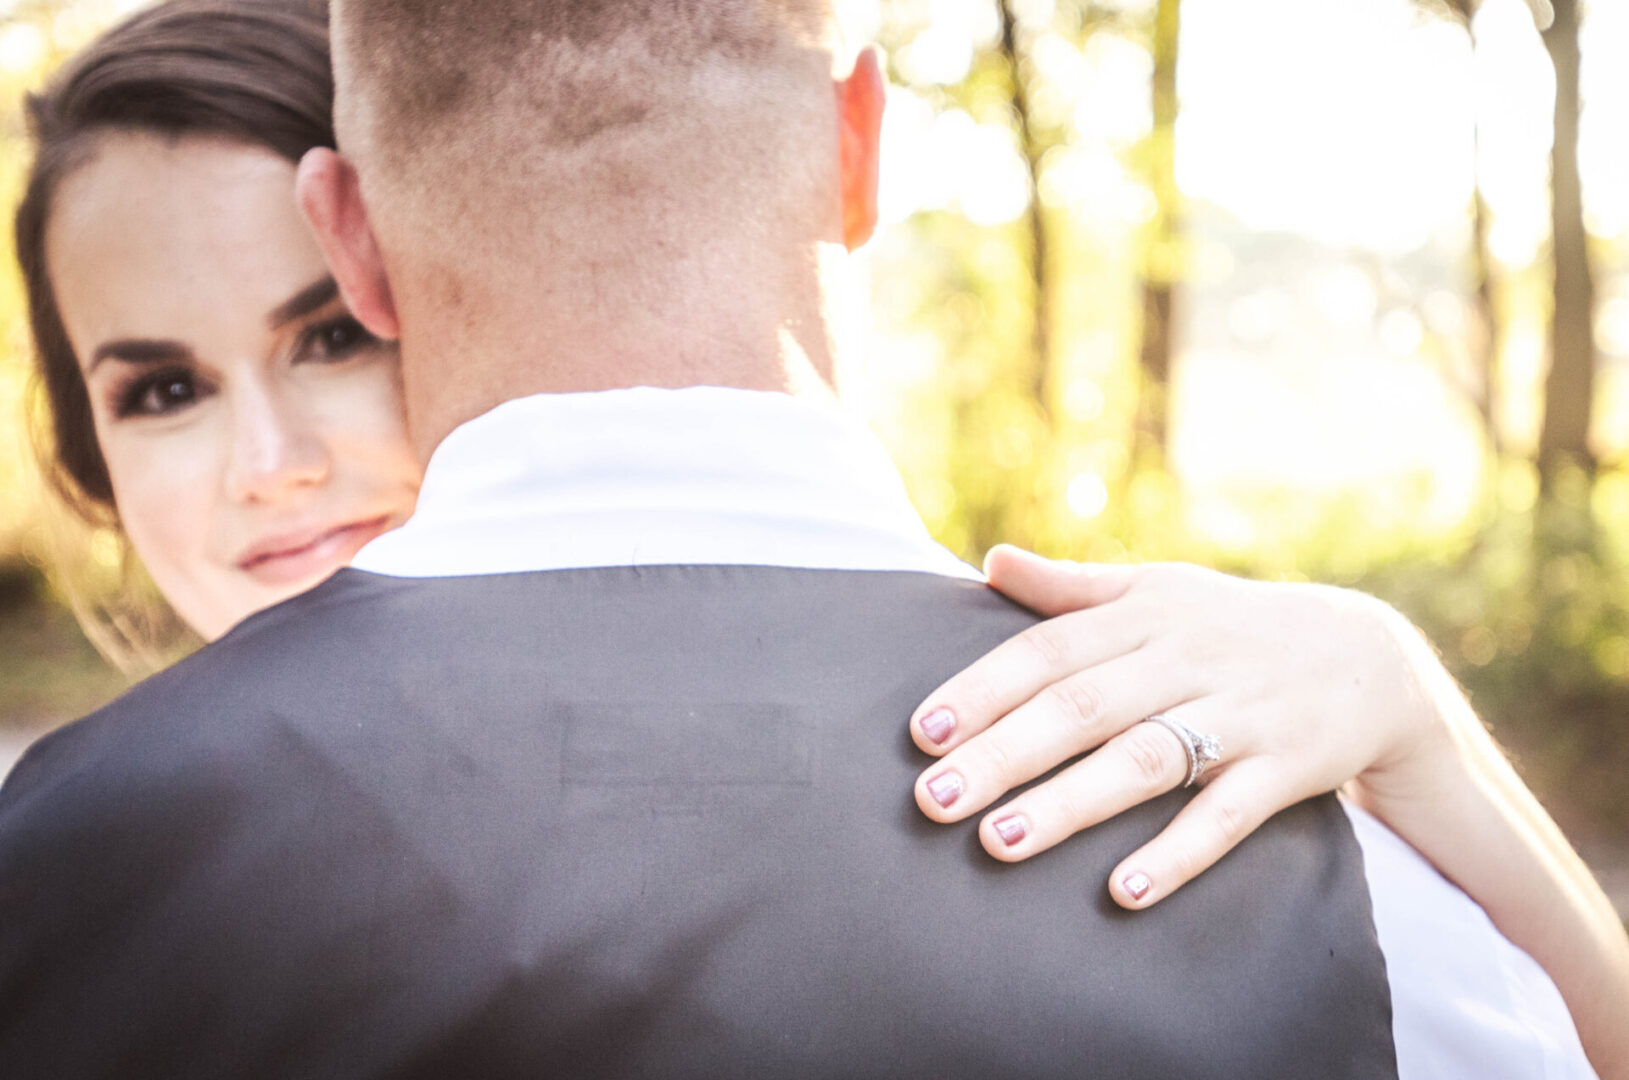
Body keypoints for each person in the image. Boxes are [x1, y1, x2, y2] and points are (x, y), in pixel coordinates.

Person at [0, 0, 1619, 1075]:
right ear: (856, 148)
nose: (272, 467)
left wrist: (1408, 721)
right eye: (158, 390)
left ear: (361, 246)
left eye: (326, 345)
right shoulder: (1281, 861)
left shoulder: (67, 871)